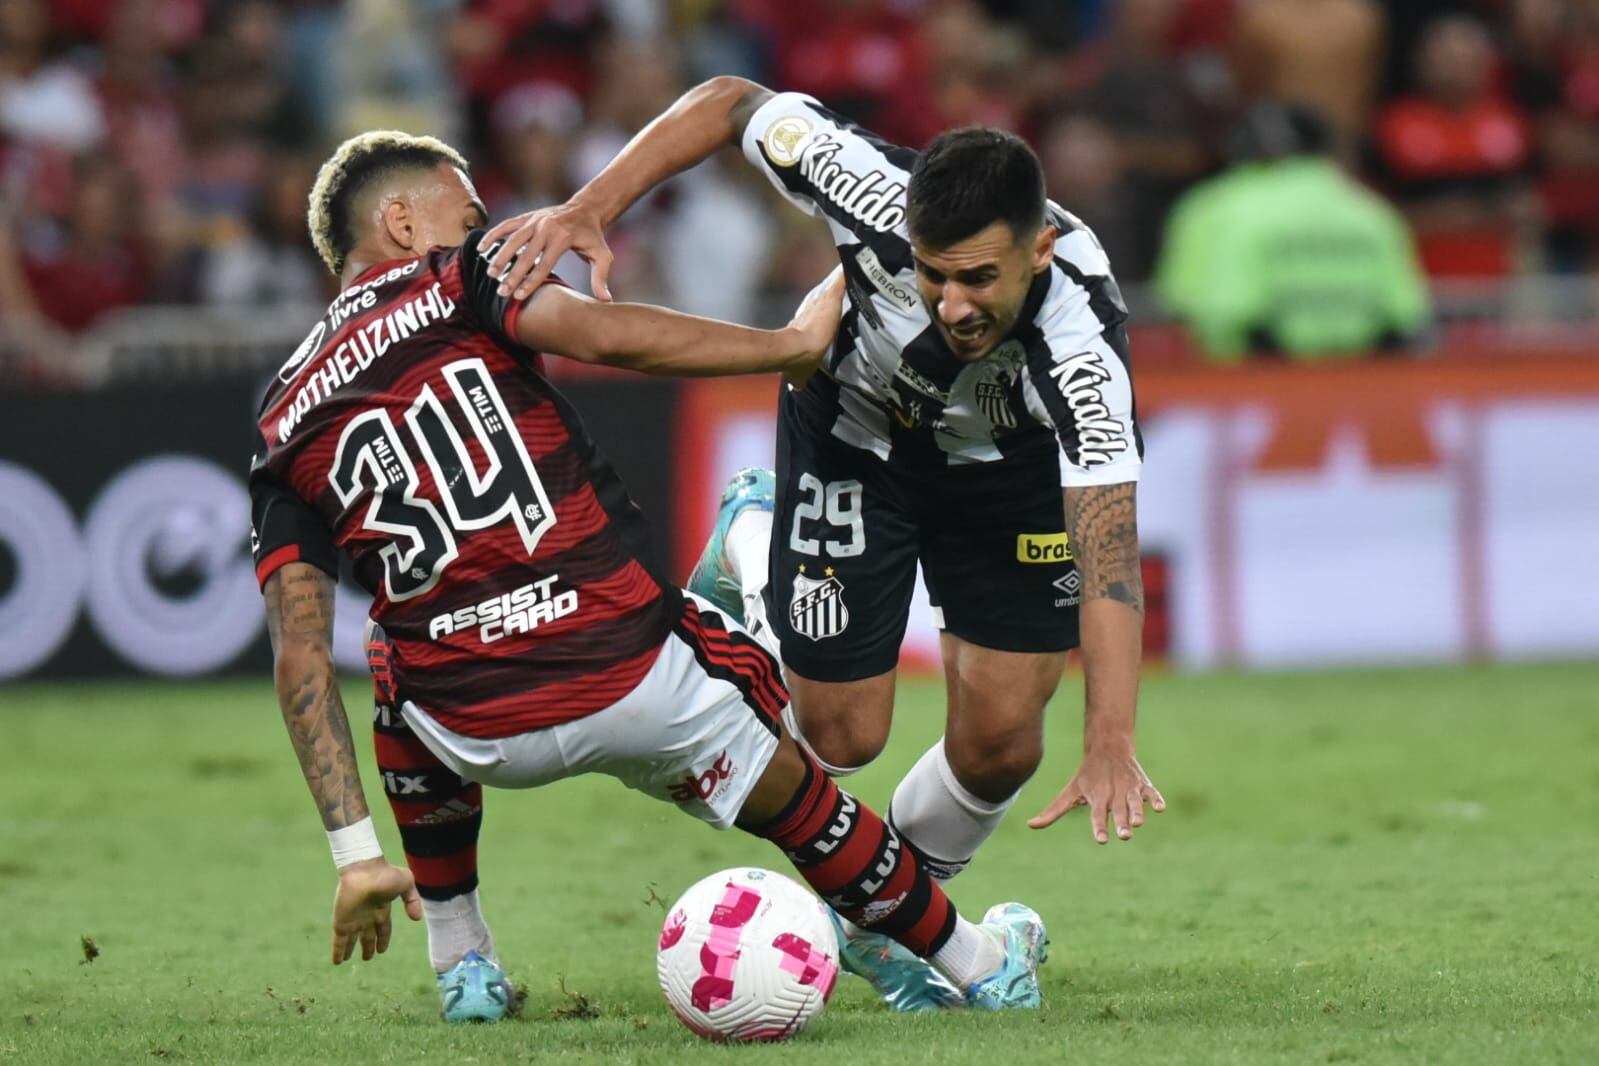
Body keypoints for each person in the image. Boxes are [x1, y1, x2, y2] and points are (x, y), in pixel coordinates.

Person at [250, 129, 1047, 1023]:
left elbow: (300, 662)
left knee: (394, 663)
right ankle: (979, 964)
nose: (491, 229)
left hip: (478, 730)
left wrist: (356, 855)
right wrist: (785, 346)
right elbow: (605, 334)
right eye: (469, 213)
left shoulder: (282, 414)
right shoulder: (456, 277)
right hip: (628, 669)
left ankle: (462, 964)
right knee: (801, 787)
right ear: (400, 219)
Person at [485, 77, 1163, 1010]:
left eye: (979, 279)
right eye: (932, 274)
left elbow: (1110, 559)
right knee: (841, 737)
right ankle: (754, 535)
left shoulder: (1084, 351)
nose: (952, 304)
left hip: (1007, 484)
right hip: (856, 440)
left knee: (1004, 744)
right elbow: (728, 101)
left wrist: (1110, 738)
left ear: (1040, 248)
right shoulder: (863, 182)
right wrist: (587, 207)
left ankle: (874, 923)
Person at [1156, 102, 1431, 360]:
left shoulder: (1212, 206)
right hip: (1361, 384)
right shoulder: (1374, 212)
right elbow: (1406, 317)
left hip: (1246, 386)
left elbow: (1181, 305)